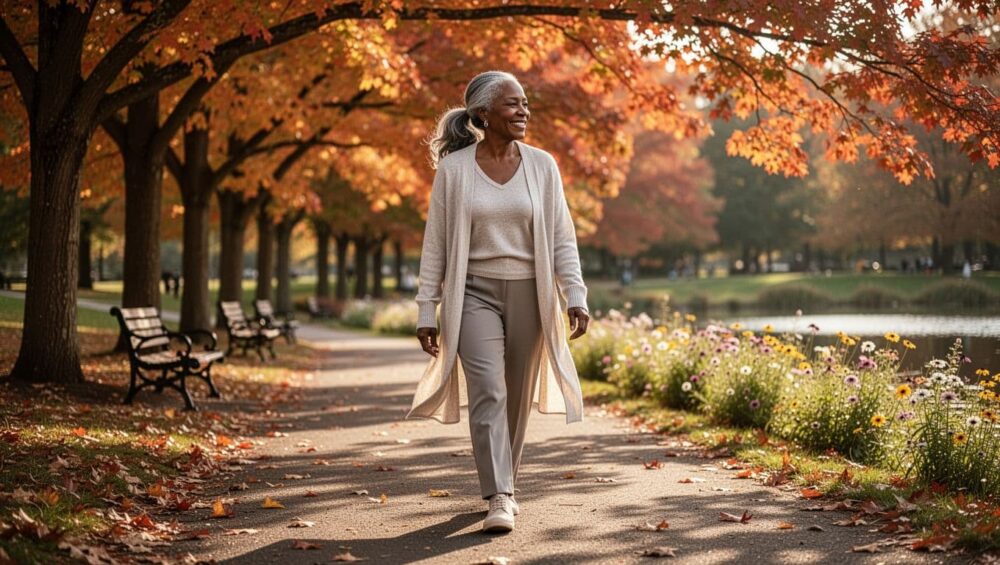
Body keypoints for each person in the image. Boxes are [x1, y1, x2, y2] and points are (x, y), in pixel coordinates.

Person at [406, 71, 590, 534]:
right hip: (472, 293)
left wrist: (576, 295)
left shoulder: (543, 166)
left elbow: (562, 238)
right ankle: (500, 495)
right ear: (483, 113)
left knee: (515, 396)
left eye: (525, 103)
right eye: (512, 104)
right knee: (488, 388)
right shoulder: (454, 170)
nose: (523, 111)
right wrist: (427, 308)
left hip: (531, 290)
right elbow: (437, 245)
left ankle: (506, 481)